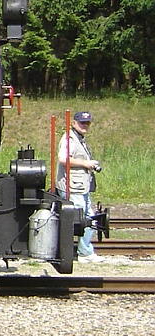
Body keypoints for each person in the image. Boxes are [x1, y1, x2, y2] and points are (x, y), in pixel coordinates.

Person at [56, 110, 101, 261]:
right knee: (79, 219)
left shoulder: (79, 139)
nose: (85, 125)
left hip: (80, 186)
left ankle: (85, 251)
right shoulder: (69, 139)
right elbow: (63, 158)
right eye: (82, 123)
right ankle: (81, 252)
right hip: (72, 187)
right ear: (74, 123)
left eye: (87, 123)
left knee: (88, 218)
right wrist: (85, 163)